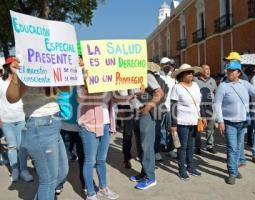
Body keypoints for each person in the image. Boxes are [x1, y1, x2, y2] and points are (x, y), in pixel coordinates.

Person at [6, 57, 69, 200]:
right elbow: (11, 97)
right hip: (39, 125)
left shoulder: (52, 60)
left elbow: (64, 89)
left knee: (62, 172)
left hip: (54, 122)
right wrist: (16, 75)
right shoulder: (26, 58)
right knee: (48, 181)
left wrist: (74, 71)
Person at [214, 60, 255, 185]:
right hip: (229, 122)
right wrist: (220, 121)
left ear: (238, 73)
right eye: (228, 70)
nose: (229, 72)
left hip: (243, 122)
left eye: (232, 70)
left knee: (238, 147)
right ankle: (231, 172)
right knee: (232, 147)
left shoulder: (245, 84)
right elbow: (217, 104)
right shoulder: (223, 86)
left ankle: (234, 169)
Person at [78, 65, 121, 199]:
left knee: (101, 160)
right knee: (90, 161)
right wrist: (85, 83)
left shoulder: (108, 82)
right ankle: (91, 193)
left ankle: (103, 188)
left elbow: (117, 100)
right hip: (89, 126)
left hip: (105, 124)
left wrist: (134, 92)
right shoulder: (84, 81)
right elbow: (80, 99)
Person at [130, 65, 164, 190]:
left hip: (145, 114)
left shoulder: (146, 75)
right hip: (135, 113)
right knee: (139, 144)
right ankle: (144, 173)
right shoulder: (125, 77)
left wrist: (148, 106)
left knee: (146, 145)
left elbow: (159, 92)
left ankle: (151, 177)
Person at [170, 64, 206, 180]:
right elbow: (173, 107)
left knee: (192, 146)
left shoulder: (195, 85)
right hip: (182, 122)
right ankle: (182, 170)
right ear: (181, 76)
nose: (191, 74)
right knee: (182, 147)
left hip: (195, 121)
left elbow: (199, 102)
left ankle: (191, 166)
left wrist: (203, 116)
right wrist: (174, 124)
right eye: (188, 73)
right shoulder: (177, 88)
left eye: (191, 72)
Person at [0, 57, 33, 182]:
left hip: (21, 118)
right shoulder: (1, 82)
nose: (17, 66)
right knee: (12, 146)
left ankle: (24, 170)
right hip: (6, 120)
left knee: (22, 146)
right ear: (8, 67)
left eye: (18, 65)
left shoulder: (21, 81)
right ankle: (15, 170)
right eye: (14, 65)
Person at [194, 64, 218, 154]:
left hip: (210, 107)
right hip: (199, 107)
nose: (208, 71)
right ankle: (197, 147)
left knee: (210, 127)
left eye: (209, 69)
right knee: (199, 128)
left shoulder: (212, 80)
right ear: (201, 71)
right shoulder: (195, 80)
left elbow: (216, 92)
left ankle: (209, 145)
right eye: (206, 69)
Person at [158, 57, 177, 159]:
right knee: (158, 130)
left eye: (169, 64)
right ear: (161, 65)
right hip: (159, 108)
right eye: (165, 64)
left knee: (171, 130)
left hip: (170, 108)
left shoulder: (173, 78)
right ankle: (157, 151)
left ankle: (170, 149)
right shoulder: (157, 76)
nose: (168, 66)